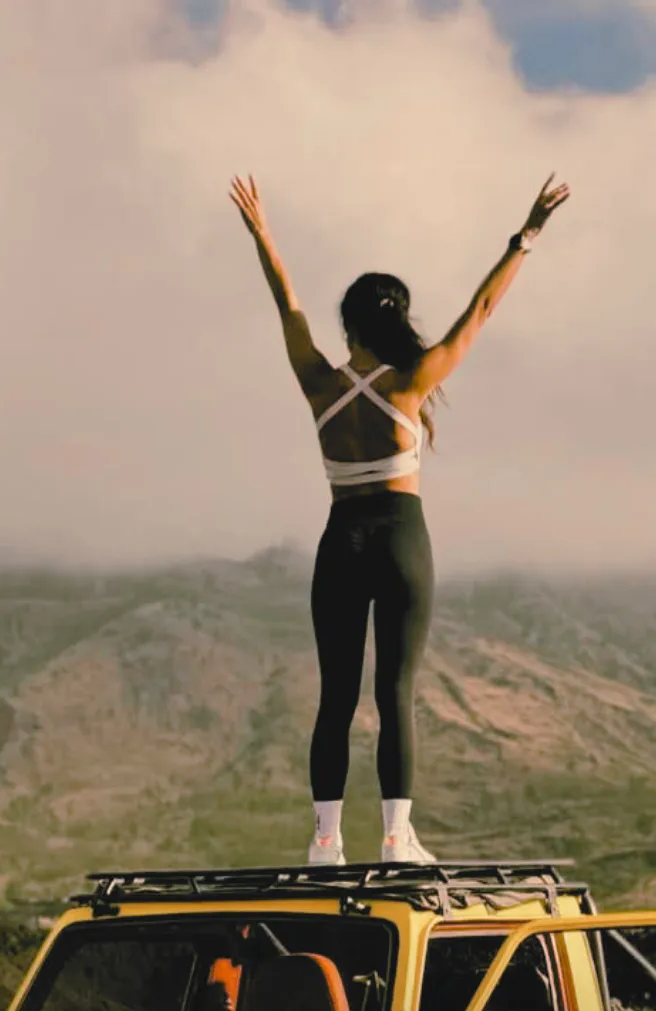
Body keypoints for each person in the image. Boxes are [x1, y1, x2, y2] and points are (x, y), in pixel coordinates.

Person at [230, 171, 570, 866]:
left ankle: (325, 840)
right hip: (401, 539)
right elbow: (479, 311)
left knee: (335, 696)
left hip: (341, 540)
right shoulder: (413, 382)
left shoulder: (318, 382)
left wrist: (262, 234)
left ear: (348, 324)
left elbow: (286, 304)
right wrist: (526, 237)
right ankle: (395, 837)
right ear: (393, 319)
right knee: (396, 692)